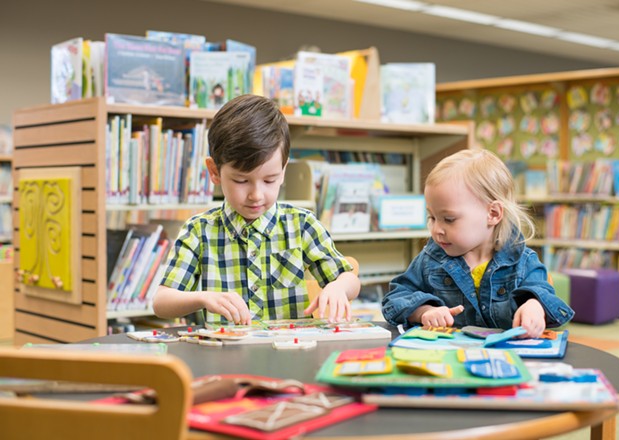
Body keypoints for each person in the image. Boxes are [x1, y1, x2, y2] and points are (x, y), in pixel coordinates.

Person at [153, 94, 360, 325]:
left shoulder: (301, 225)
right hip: (225, 357)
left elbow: (350, 279)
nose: (256, 195)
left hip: (289, 357)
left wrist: (338, 287)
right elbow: (161, 302)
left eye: (269, 180)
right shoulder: (199, 231)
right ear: (214, 171)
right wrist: (203, 298)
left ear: (283, 169)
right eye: (241, 181)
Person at [382, 149, 573, 338]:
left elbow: (544, 294)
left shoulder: (523, 261)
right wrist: (423, 311)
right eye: (432, 217)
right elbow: (395, 299)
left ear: (493, 214)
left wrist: (534, 306)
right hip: (448, 359)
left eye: (449, 219)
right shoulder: (429, 260)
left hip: (505, 359)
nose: (436, 229)